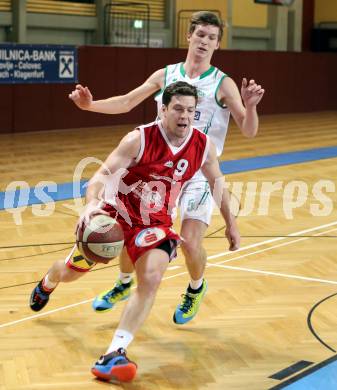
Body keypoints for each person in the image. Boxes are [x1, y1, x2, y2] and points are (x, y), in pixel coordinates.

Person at [30, 82, 240, 382]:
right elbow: (101, 175)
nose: (185, 116)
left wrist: (231, 223)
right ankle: (48, 283)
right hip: (115, 218)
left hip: (154, 225)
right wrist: (90, 206)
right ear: (163, 109)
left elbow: (217, 183)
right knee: (69, 271)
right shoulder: (138, 139)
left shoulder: (202, 145)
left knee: (152, 276)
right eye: (178, 108)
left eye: (191, 110)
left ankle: (114, 352)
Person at [69, 11, 264, 324]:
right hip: (158, 169)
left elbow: (249, 130)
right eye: (200, 35)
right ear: (189, 36)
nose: (204, 41)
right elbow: (127, 101)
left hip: (198, 172)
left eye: (211, 38)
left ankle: (195, 288)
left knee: (190, 242)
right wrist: (89, 105)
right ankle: (122, 283)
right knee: (129, 228)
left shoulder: (222, 83)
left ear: (217, 44)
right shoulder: (167, 74)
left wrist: (250, 107)